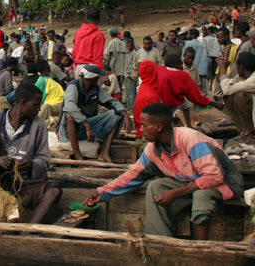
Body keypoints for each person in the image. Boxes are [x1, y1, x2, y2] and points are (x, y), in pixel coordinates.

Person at [84, 103, 243, 239]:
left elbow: (214, 177)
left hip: (223, 184)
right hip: (189, 184)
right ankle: (159, 240)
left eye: (145, 126)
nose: (142, 130)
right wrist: (102, 192)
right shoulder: (152, 150)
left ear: (158, 127)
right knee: (156, 187)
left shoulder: (190, 139)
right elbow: (132, 175)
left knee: (202, 193)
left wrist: (176, 193)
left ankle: (198, 248)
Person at [0, 83, 62, 224]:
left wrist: (31, 164)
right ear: (23, 103)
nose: (39, 109)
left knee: (54, 192)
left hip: (24, 185)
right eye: (35, 105)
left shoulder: (38, 124)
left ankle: (28, 230)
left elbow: (44, 160)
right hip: (0, 183)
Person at [58, 64, 132, 163]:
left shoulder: (95, 88)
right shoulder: (73, 86)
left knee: (117, 114)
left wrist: (125, 114)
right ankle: (77, 154)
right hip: (71, 129)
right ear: (93, 78)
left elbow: (112, 102)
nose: (99, 79)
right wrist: (87, 126)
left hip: (88, 125)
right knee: (69, 115)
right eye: (97, 78)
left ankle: (105, 152)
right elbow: (70, 107)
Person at [158, 55, 223, 127]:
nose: (182, 66)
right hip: (169, 104)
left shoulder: (159, 70)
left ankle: (188, 125)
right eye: (180, 64)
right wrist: (214, 103)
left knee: (185, 104)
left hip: (156, 102)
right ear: (175, 65)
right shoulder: (181, 75)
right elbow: (196, 98)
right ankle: (187, 126)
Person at [213, 52, 255, 135]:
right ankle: (244, 131)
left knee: (240, 96)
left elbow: (227, 89)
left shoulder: (253, 80)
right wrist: (221, 71)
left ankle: (250, 133)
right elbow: (219, 92)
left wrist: (222, 69)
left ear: (241, 67)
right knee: (228, 97)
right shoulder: (242, 77)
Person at [72, 7, 105, 73]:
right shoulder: (98, 35)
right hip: (91, 69)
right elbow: (97, 57)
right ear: (98, 19)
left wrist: (76, 67)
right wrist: (101, 73)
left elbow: (74, 53)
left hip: (78, 67)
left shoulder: (78, 33)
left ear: (86, 18)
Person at [133, 61, 160, 137]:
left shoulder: (144, 87)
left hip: (142, 131)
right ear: (154, 73)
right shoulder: (151, 95)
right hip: (148, 135)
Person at [35, 59, 65, 129]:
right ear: (47, 68)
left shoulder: (42, 80)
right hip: (61, 106)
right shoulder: (46, 81)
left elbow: (38, 100)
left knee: (45, 107)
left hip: (55, 107)